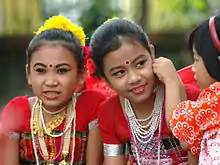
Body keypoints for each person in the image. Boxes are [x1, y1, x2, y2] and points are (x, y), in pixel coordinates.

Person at [89, 17, 201, 165]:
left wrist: (172, 82)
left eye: (140, 64)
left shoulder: (193, 99)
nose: (134, 78)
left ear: (152, 54)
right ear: (105, 79)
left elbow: (189, 144)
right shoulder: (109, 112)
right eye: (119, 73)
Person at [0, 15, 106, 165]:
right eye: (40, 70)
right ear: (29, 75)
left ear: (81, 75)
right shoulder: (16, 111)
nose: (51, 82)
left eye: (62, 70)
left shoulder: (91, 106)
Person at [170, 15, 220, 165]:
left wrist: (171, 80)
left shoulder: (215, 99)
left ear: (214, 61)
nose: (193, 68)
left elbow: (182, 129)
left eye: (197, 59)